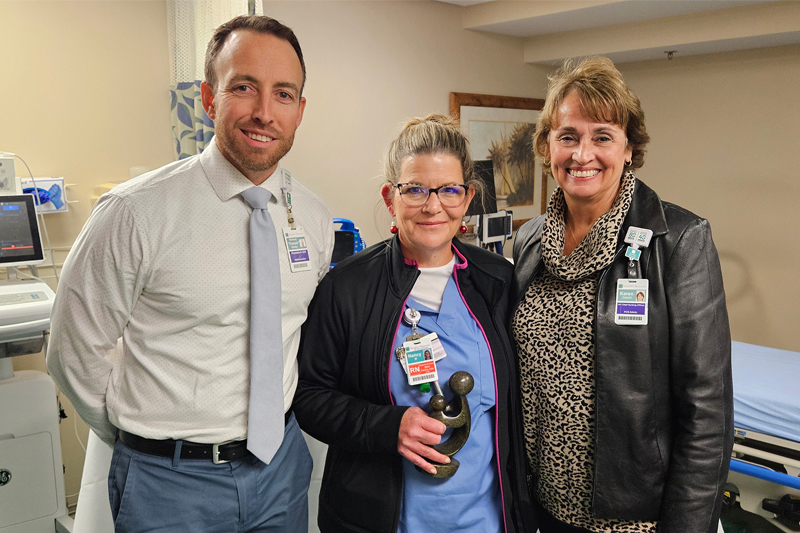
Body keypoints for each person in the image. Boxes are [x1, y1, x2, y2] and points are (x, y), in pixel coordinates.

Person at [46, 15, 334, 533]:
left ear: (300, 110)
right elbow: (71, 351)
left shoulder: (312, 218)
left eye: (283, 94)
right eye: (243, 87)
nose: (264, 112)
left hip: (281, 470)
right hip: (169, 485)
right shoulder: (134, 212)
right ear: (208, 97)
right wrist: (146, 442)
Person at [511, 56, 733, 533]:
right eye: (567, 136)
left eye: (603, 137)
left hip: (637, 520)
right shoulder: (528, 240)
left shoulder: (678, 240)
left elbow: (707, 412)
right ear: (547, 146)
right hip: (542, 508)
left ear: (629, 148)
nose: (582, 153)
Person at [293, 114, 535, 533]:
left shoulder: (497, 281)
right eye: (416, 189)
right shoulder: (347, 288)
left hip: (485, 519)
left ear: (468, 197)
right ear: (391, 198)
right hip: (383, 519)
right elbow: (310, 396)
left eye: (449, 190)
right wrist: (388, 427)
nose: (433, 205)